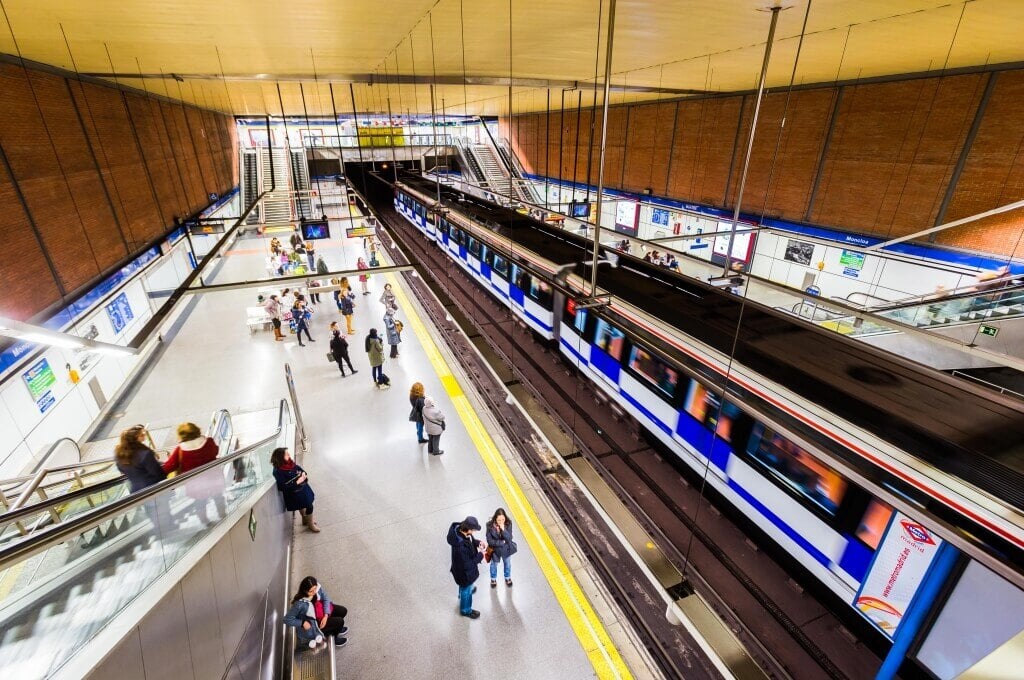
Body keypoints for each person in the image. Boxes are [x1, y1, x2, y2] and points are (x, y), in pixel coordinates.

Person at [162, 422, 224, 524]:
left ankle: (206, 523)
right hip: (214, 479)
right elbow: (216, 451)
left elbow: (169, 467)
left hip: (196, 485)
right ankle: (223, 515)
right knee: (218, 498)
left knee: (200, 503)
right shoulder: (208, 442)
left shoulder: (180, 450)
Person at [283, 576, 348, 649]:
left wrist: (326, 615)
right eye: (311, 591)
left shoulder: (317, 588)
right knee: (339, 621)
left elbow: (326, 598)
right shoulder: (299, 604)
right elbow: (287, 619)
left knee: (343, 611)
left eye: (315, 589)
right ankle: (334, 636)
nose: (314, 592)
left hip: (321, 613)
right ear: (305, 591)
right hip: (315, 625)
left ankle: (336, 628)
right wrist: (303, 623)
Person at [271, 447, 319, 532]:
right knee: (309, 505)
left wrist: (303, 473)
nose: (289, 455)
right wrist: (297, 482)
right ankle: (310, 524)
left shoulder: (289, 463)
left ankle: (305, 520)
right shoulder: (278, 471)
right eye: (286, 454)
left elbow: (299, 469)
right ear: (280, 457)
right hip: (294, 493)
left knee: (304, 505)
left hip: (302, 489)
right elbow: (282, 487)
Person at [447, 516, 485, 619]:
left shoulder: (460, 530)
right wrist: (481, 554)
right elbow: (469, 564)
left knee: (465, 587)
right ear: (468, 529)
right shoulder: (460, 548)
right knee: (466, 588)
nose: (473, 532)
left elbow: (469, 541)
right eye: (473, 530)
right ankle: (466, 610)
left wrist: (477, 543)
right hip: (464, 573)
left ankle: (462, 594)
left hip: (460, 570)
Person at [114, 424, 165, 493]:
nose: (145, 436)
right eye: (142, 435)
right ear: (135, 438)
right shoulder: (145, 454)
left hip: (135, 492)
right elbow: (157, 473)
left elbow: (123, 470)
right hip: (153, 490)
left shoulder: (119, 455)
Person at [486, 508, 516, 588]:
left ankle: (507, 577)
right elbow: (489, 540)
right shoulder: (489, 525)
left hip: (506, 549)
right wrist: (501, 542)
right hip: (495, 550)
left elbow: (509, 538)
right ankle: (493, 578)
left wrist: (503, 529)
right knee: (493, 565)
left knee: (507, 564)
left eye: (503, 519)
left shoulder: (508, 523)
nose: (501, 522)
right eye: (499, 520)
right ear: (495, 519)